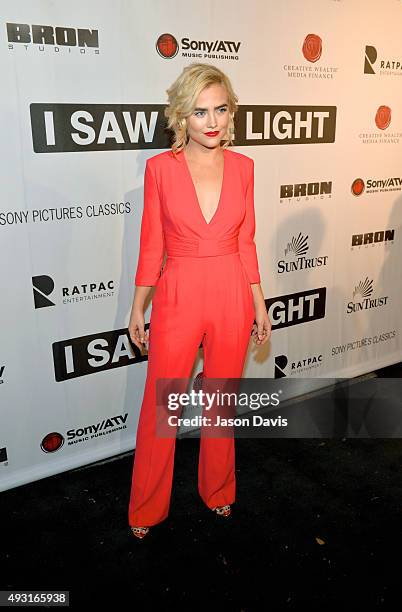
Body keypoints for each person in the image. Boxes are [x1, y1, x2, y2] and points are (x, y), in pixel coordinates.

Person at [127, 63, 272, 539]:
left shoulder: (246, 168)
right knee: (162, 407)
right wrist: (137, 307)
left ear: (231, 113)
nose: (212, 121)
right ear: (181, 116)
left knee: (220, 402)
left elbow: (246, 241)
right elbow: (152, 246)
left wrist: (259, 303)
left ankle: (219, 490)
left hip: (231, 290)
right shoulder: (159, 169)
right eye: (199, 112)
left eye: (220, 109)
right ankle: (147, 506)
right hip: (179, 293)